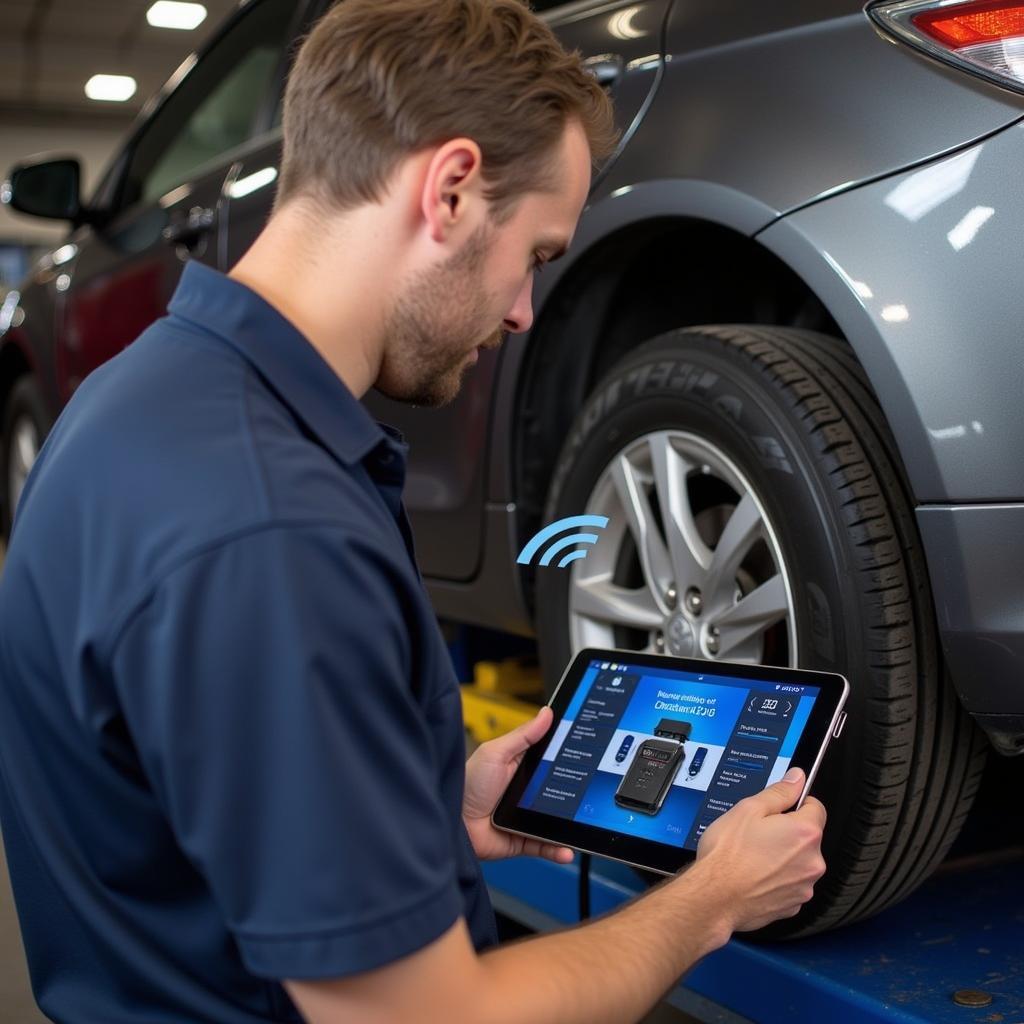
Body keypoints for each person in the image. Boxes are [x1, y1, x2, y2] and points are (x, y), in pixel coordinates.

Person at [0, 0, 827, 1021]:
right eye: (534, 253)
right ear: (448, 190)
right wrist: (712, 897)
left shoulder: (130, 403)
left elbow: (190, 794)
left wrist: (432, 811)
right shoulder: (271, 530)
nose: (526, 310)